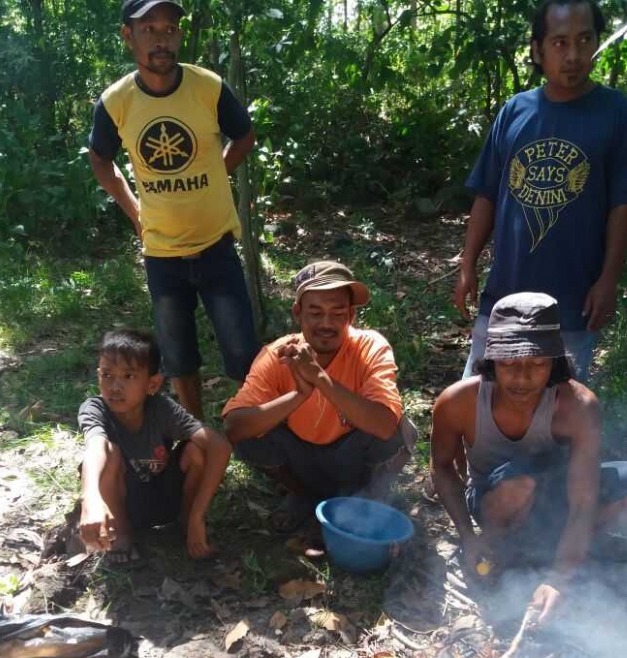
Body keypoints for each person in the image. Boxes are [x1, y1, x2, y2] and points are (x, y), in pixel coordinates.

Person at [455, 0, 627, 383]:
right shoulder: (515, 111)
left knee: (559, 408)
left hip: (572, 300)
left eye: (584, 40)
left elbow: (621, 205)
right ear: (537, 49)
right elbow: (487, 195)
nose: (574, 55)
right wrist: (467, 265)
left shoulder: (617, 113)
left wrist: (608, 279)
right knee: (480, 396)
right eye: (560, 43)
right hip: (504, 295)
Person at [432, 292, 627, 623]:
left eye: (536, 365)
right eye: (508, 364)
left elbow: (583, 499)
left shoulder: (578, 405)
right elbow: (442, 466)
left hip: (555, 497)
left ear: (554, 362)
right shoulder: (458, 401)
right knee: (519, 482)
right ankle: (498, 548)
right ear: (490, 360)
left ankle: (559, 551)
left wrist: (558, 579)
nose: (522, 378)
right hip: (499, 499)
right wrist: (468, 535)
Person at [88, 0, 259, 418]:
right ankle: (194, 431)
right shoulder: (116, 102)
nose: (161, 39)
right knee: (178, 355)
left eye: (169, 29)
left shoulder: (207, 87)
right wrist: (135, 212)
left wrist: (218, 172)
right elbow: (100, 160)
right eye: (149, 29)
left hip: (216, 244)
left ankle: (256, 429)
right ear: (128, 36)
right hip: (162, 254)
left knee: (242, 351)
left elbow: (245, 136)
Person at [222, 261, 416, 531]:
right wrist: (298, 395)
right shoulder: (278, 354)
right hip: (300, 458)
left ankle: (358, 496)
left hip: (351, 457)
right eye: (315, 312)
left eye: (337, 313)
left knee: (401, 431)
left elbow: (385, 425)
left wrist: (321, 379)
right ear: (298, 313)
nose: (327, 323)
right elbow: (233, 427)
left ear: (351, 316)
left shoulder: (371, 346)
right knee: (251, 437)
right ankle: (303, 495)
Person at [78, 328, 231, 560]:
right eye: (107, 375)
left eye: (128, 376)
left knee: (197, 450)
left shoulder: (161, 408)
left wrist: (198, 515)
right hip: (125, 501)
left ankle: (187, 521)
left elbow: (219, 446)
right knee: (109, 453)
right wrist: (90, 500)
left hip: (165, 497)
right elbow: (96, 448)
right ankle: (122, 532)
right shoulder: (95, 408)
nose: (115, 387)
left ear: (152, 384)